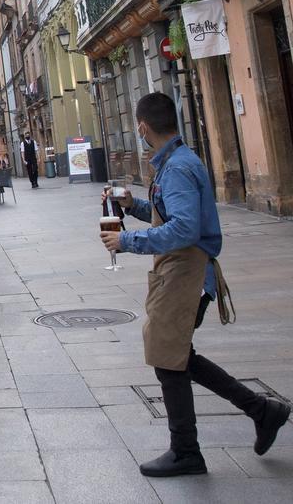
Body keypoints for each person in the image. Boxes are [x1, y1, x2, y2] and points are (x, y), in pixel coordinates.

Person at [101, 93, 288, 477]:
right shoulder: (176, 162)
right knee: (179, 357)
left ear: (142, 127)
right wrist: (131, 204)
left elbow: (184, 228)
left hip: (187, 273)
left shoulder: (178, 168)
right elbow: (170, 212)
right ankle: (261, 410)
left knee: (169, 361)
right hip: (181, 272)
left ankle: (186, 451)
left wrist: (127, 241)